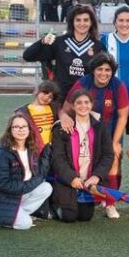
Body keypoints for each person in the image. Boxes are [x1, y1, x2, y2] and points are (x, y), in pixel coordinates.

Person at [61, 53, 129, 215]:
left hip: (111, 132)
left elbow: (122, 116)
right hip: (87, 132)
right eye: (100, 69)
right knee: (87, 162)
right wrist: (63, 116)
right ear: (93, 70)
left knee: (113, 161)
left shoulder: (118, 85)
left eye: (107, 70)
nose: (103, 73)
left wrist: (116, 142)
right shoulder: (83, 83)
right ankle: (88, 194)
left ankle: (109, 203)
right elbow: (66, 107)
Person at [49, 89, 115, 223]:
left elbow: (108, 155)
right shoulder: (62, 127)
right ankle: (52, 204)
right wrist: (71, 177)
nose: (83, 106)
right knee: (69, 217)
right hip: (68, 179)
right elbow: (57, 157)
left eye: (86, 102)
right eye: (78, 103)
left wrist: (97, 176)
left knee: (85, 217)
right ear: (73, 106)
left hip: (87, 180)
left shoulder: (100, 126)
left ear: (91, 105)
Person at [0, 113, 53, 230]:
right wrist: (26, 186)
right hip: (1, 197)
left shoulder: (30, 149)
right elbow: (1, 183)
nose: (20, 130)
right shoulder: (2, 153)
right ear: (10, 130)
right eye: (16, 127)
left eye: (24, 126)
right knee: (25, 224)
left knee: (46, 187)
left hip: (19, 193)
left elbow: (38, 172)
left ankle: (18, 212)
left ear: (29, 129)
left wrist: (48, 149)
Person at [23, 5, 105, 99]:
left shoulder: (98, 46)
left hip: (85, 101)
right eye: (78, 20)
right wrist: (42, 42)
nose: (82, 23)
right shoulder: (59, 42)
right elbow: (27, 56)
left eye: (86, 20)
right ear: (72, 22)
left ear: (91, 23)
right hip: (60, 99)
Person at [14, 81, 60, 153]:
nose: (46, 97)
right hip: (34, 150)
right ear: (37, 91)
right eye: (45, 93)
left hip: (51, 150)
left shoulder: (54, 109)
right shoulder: (23, 112)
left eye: (50, 97)